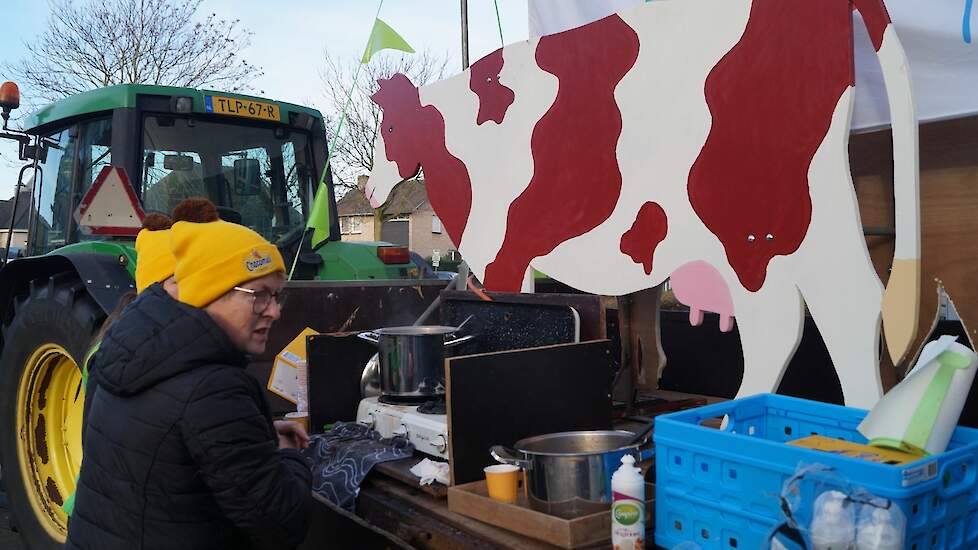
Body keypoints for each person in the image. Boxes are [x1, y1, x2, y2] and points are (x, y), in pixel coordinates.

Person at [65, 210, 311, 550]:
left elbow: (166, 442)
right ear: (212, 290)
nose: (275, 311)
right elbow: (282, 524)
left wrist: (257, 433)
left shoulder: (124, 344)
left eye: (277, 296)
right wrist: (288, 456)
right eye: (259, 295)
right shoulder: (214, 388)